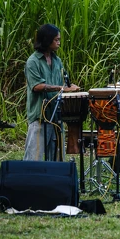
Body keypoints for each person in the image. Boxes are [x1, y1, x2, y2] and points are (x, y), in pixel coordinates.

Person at [24, 24, 80, 161]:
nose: (59, 43)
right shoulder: (33, 61)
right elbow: (36, 86)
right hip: (40, 116)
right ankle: (26, 181)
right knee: (33, 158)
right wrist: (61, 88)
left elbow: (63, 81)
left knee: (57, 159)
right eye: (56, 40)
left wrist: (70, 86)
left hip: (56, 115)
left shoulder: (57, 60)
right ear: (46, 40)